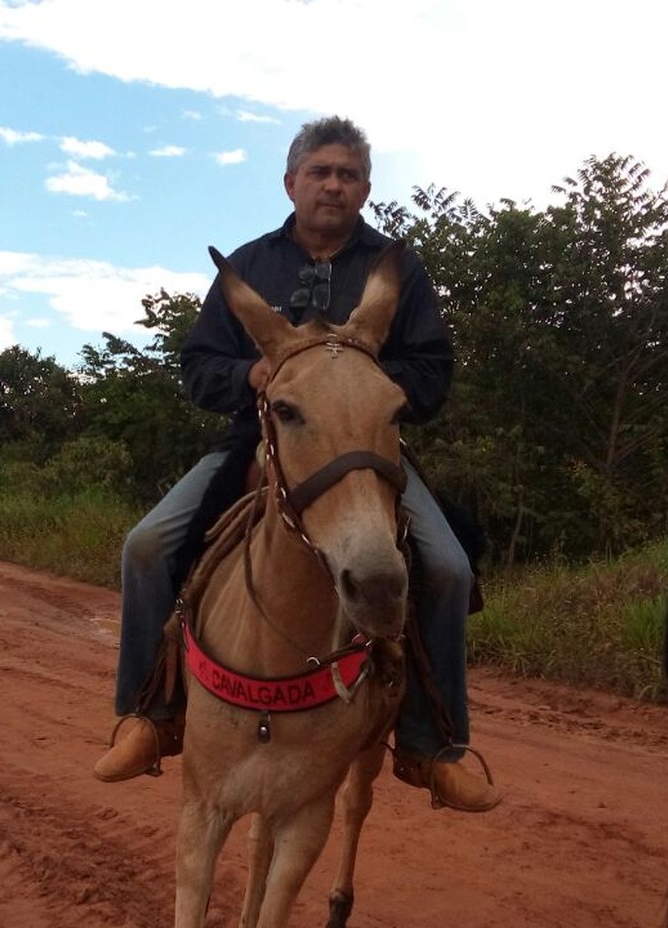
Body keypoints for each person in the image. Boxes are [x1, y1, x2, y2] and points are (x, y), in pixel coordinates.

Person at [92, 115, 501, 813]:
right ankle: (149, 715)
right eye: (320, 172)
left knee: (449, 566)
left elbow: (431, 373)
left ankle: (435, 746)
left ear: (366, 188)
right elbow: (198, 366)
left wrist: (358, 377)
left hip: (367, 453)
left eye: (347, 174)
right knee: (147, 546)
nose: (333, 185)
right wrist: (254, 377)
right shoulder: (249, 266)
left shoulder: (398, 271)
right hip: (255, 442)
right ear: (291, 183)